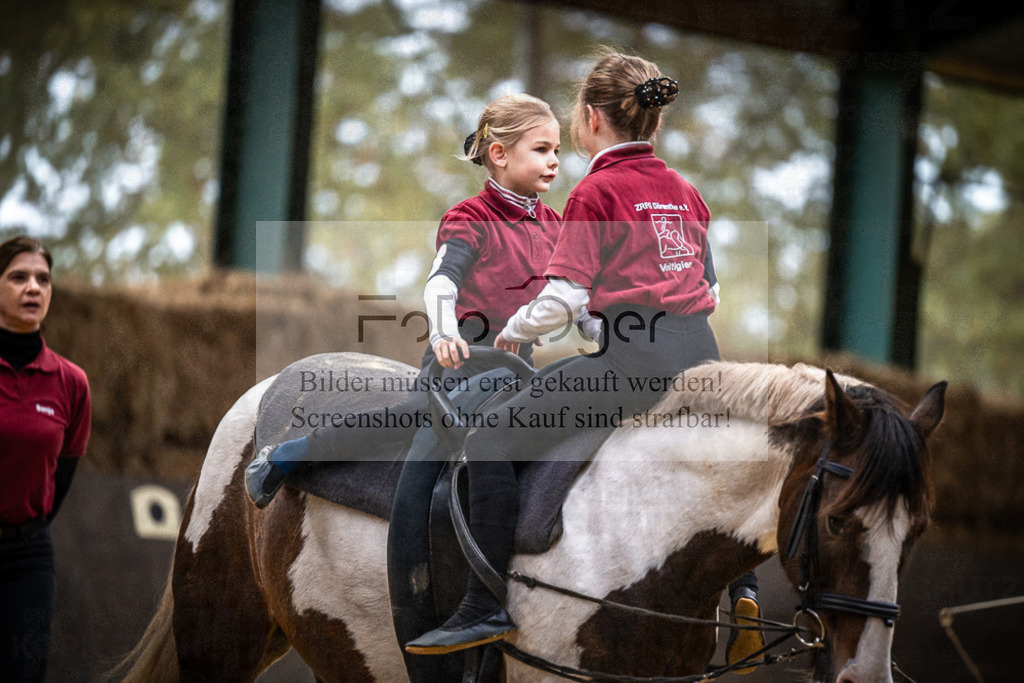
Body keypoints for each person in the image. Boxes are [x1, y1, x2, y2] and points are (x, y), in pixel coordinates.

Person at [404, 48, 764, 670]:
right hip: (704, 360)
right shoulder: (686, 191)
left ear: (592, 119)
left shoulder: (596, 191)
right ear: (653, 119)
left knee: (491, 438)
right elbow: (709, 287)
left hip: (633, 367)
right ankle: (746, 594)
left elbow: (565, 299)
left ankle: (483, 606)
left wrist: (515, 331)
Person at [245, 93, 578, 506]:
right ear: (499, 154)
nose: (554, 161)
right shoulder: (471, 217)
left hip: (517, 361)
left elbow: (568, 292)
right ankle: (289, 454)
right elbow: (441, 282)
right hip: (462, 356)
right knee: (416, 417)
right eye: (542, 150)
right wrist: (443, 334)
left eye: (557, 151)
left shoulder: (555, 225)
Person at [0, 236, 91, 683]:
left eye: (43, 279)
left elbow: (62, 476)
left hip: (28, 559)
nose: (33, 287)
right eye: (18, 277)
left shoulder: (72, 383)